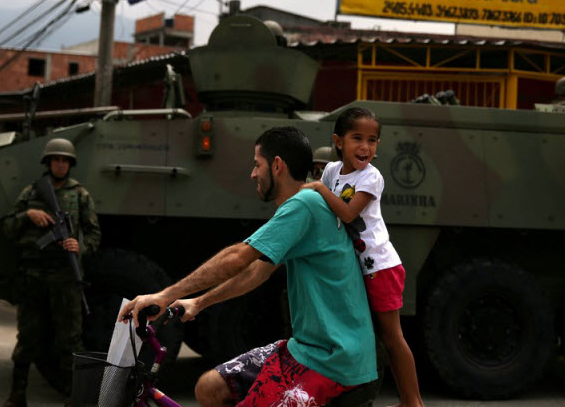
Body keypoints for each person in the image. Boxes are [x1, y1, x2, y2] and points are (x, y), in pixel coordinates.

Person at [119, 126, 377, 407]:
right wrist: (199, 303)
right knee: (209, 388)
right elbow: (258, 270)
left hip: (334, 360)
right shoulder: (305, 205)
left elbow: (239, 257)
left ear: (277, 165)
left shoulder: (304, 205)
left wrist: (163, 295)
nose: (253, 174)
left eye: (257, 165)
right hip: (305, 350)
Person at [302, 107, 423, 407]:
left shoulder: (371, 177)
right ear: (338, 141)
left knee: (392, 338)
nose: (366, 146)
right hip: (357, 268)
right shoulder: (331, 171)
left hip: (381, 267)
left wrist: (316, 188)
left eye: (372, 140)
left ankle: (413, 402)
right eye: (357, 138)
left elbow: (346, 212)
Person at [2, 138, 100, 407]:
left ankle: (74, 395)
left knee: (70, 339)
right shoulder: (31, 192)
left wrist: (79, 246)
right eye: (56, 159)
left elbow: (94, 233)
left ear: (70, 164)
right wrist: (28, 215)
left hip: (64, 275)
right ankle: (17, 394)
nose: (60, 164)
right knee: (27, 337)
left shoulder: (80, 194)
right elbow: (9, 228)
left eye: (65, 160)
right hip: (33, 274)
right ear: (48, 162)